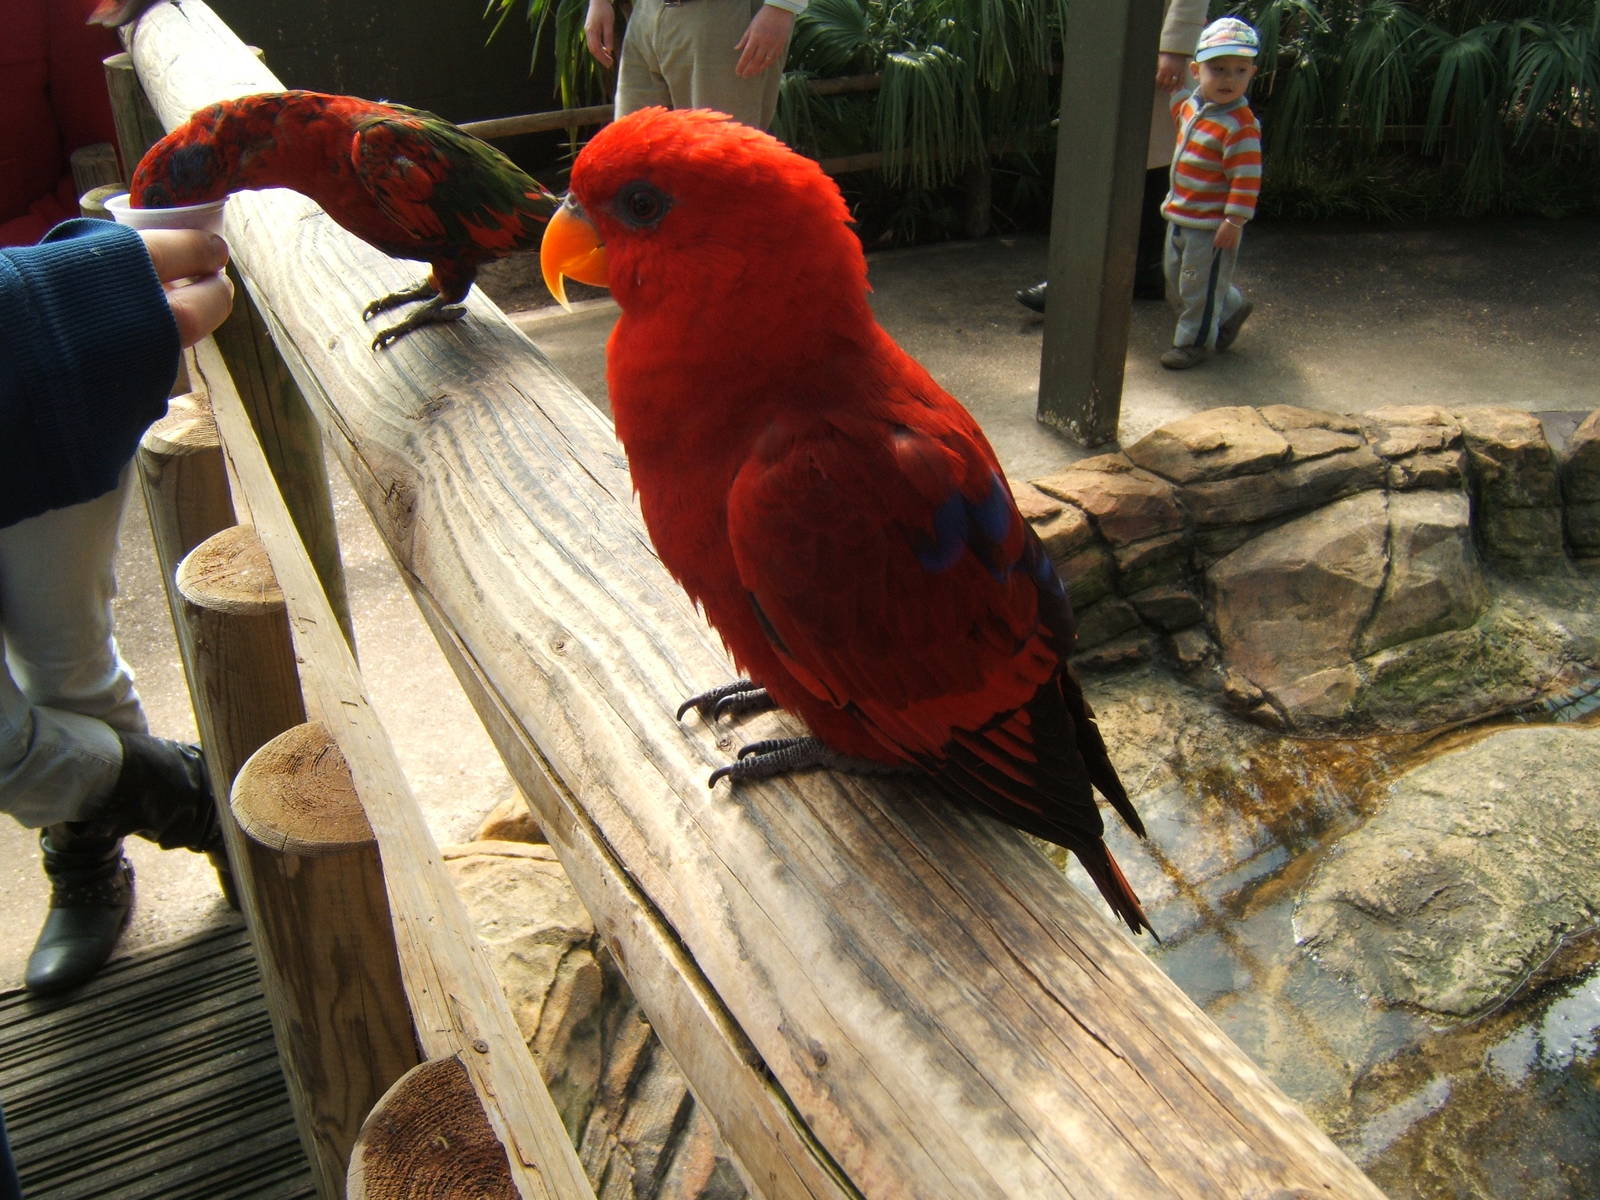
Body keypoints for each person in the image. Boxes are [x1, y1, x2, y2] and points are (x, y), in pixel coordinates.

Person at [1, 217, 235, 993]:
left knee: (66, 661)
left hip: (28, 395)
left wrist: (40, 301)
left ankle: (86, 849)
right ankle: (190, 799)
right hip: (33, 337)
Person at [1017, 0, 1207, 314]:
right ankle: (1096, 276)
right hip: (1107, 36)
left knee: (1144, 160)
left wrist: (1177, 46)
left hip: (1152, 41)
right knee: (1105, 159)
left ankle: (1098, 278)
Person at [1158, 16, 1261, 369]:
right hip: (1180, 214)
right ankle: (1231, 306)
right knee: (1177, 278)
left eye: (1239, 70)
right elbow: (1180, 112)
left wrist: (1234, 220)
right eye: (1218, 69)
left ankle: (1193, 344)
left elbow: (1246, 179)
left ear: (1251, 73)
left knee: (1197, 289)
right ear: (1197, 69)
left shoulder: (1240, 126)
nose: (1228, 79)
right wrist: (1172, 87)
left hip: (1211, 223)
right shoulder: (1194, 107)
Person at [583, 0, 806, 131]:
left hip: (722, 18)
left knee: (720, 167)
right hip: (644, 15)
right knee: (632, 158)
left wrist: (782, 6)